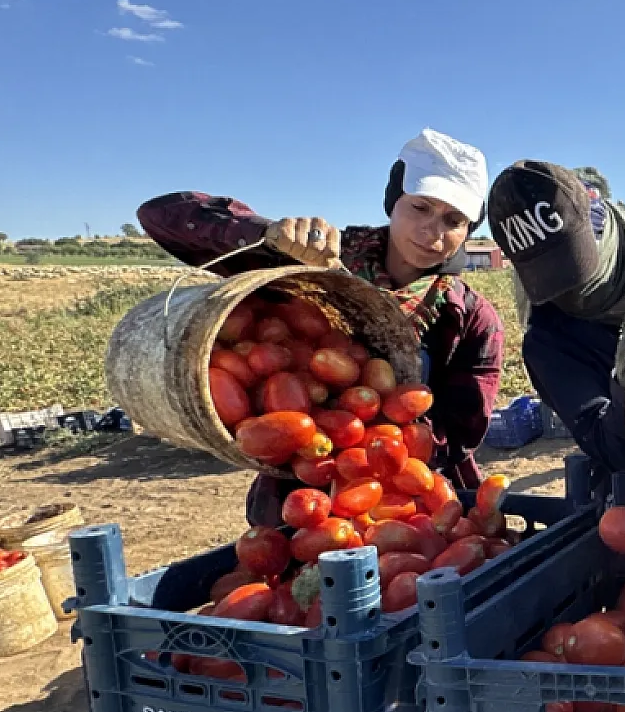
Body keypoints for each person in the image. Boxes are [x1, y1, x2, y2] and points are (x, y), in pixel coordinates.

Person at [138, 128, 504, 521]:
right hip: (299, 501)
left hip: (412, 501)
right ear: (393, 201)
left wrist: (372, 444)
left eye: (454, 220)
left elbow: (460, 430)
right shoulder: (311, 266)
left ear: (469, 230)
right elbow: (160, 216)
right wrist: (262, 233)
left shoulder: (469, 316)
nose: (432, 231)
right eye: (420, 208)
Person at [488, 160, 625, 484]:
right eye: (549, 275)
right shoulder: (548, 343)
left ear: (604, 236)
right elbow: (610, 449)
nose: (568, 289)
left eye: (576, 265)